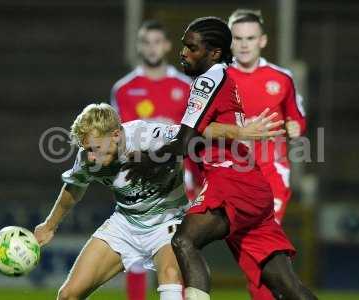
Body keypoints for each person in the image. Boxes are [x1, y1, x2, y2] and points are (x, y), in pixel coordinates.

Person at [122, 17, 317, 300]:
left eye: (192, 48)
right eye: (183, 46)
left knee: (184, 241)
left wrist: (145, 162)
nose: (184, 53)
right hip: (252, 187)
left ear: (213, 53)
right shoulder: (225, 77)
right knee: (287, 286)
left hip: (230, 181)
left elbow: (184, 141)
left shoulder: (208, 79)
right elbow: (201, 132)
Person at [34, 103, 284, 300]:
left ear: (116, 134)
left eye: (95, 148)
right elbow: (74, 188)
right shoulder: (88, 157)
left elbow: (198, 131)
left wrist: (241, 132)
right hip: (125, 224)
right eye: (87, 149)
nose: (91, 156)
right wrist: (50, 225)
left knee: (170, 276)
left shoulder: (149, 135)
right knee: (68, 295)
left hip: (168, 222)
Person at [110, 20, 199, 299]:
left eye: (157, 41)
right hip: (137, 177)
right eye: (146, 42)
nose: (151, 47)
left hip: (177, 178)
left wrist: (196, 177)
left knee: (179, 250)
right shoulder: (124, 88)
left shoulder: (185, 86)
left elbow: (195, 136)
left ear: (168, 46)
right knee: (134, 255)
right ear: (138, 46)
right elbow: (117, 138)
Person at [226, 9, 308, 299]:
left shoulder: (281, 78)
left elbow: (297, 116)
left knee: (261, 244)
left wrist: (295, 126)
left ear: (263, 40)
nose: (244, 44)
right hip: (230, 176)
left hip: (271, 172)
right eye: (238, 38)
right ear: (230, 41)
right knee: (253, 253)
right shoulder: (218, 78)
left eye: (250, 38)